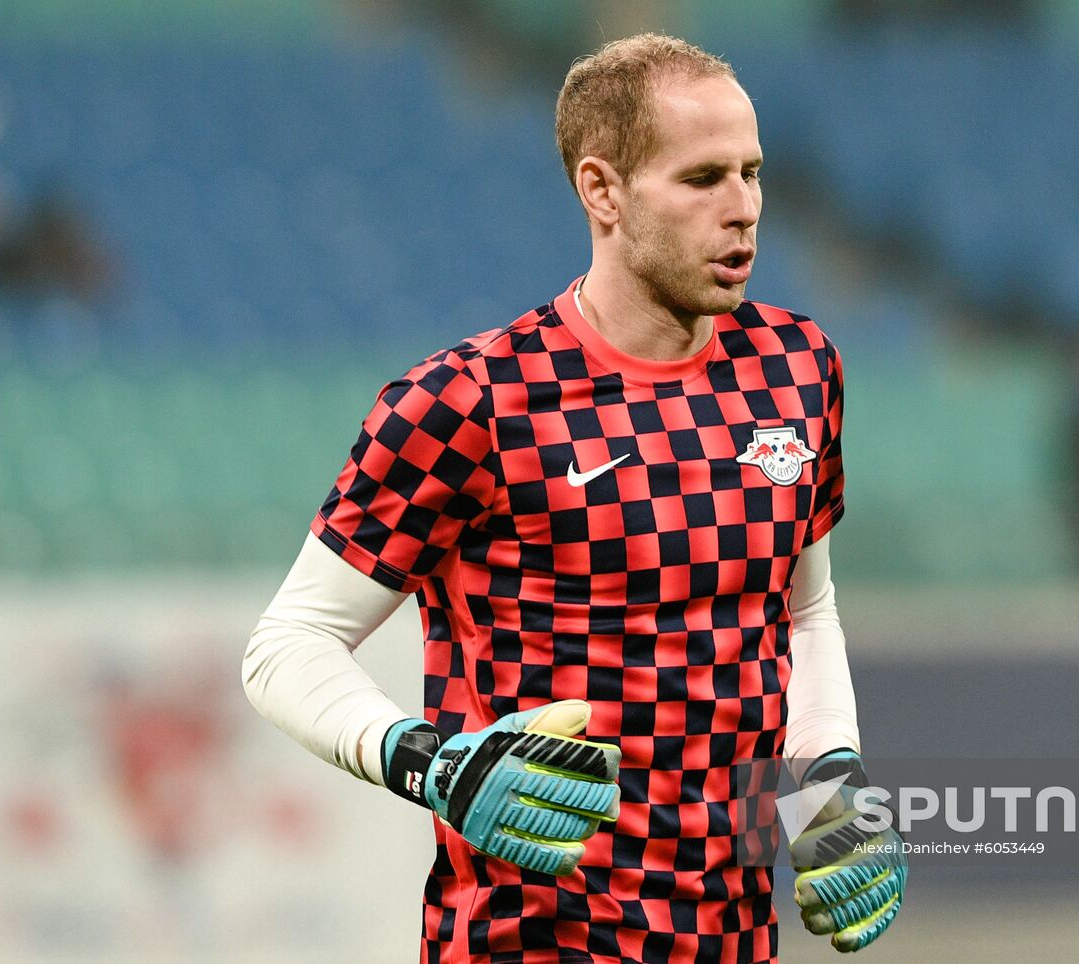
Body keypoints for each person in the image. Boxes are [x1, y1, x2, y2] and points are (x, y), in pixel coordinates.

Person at [244, 33, 904, 963]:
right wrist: (431, 762)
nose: (745, 209)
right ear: (603, 191)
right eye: (703, 178)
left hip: (735, 939)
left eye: (753, 173)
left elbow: (802, 611)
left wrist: (828, 777)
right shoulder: (472, 401)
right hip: (534, 942)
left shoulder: (796, 368)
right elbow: (285, 646)